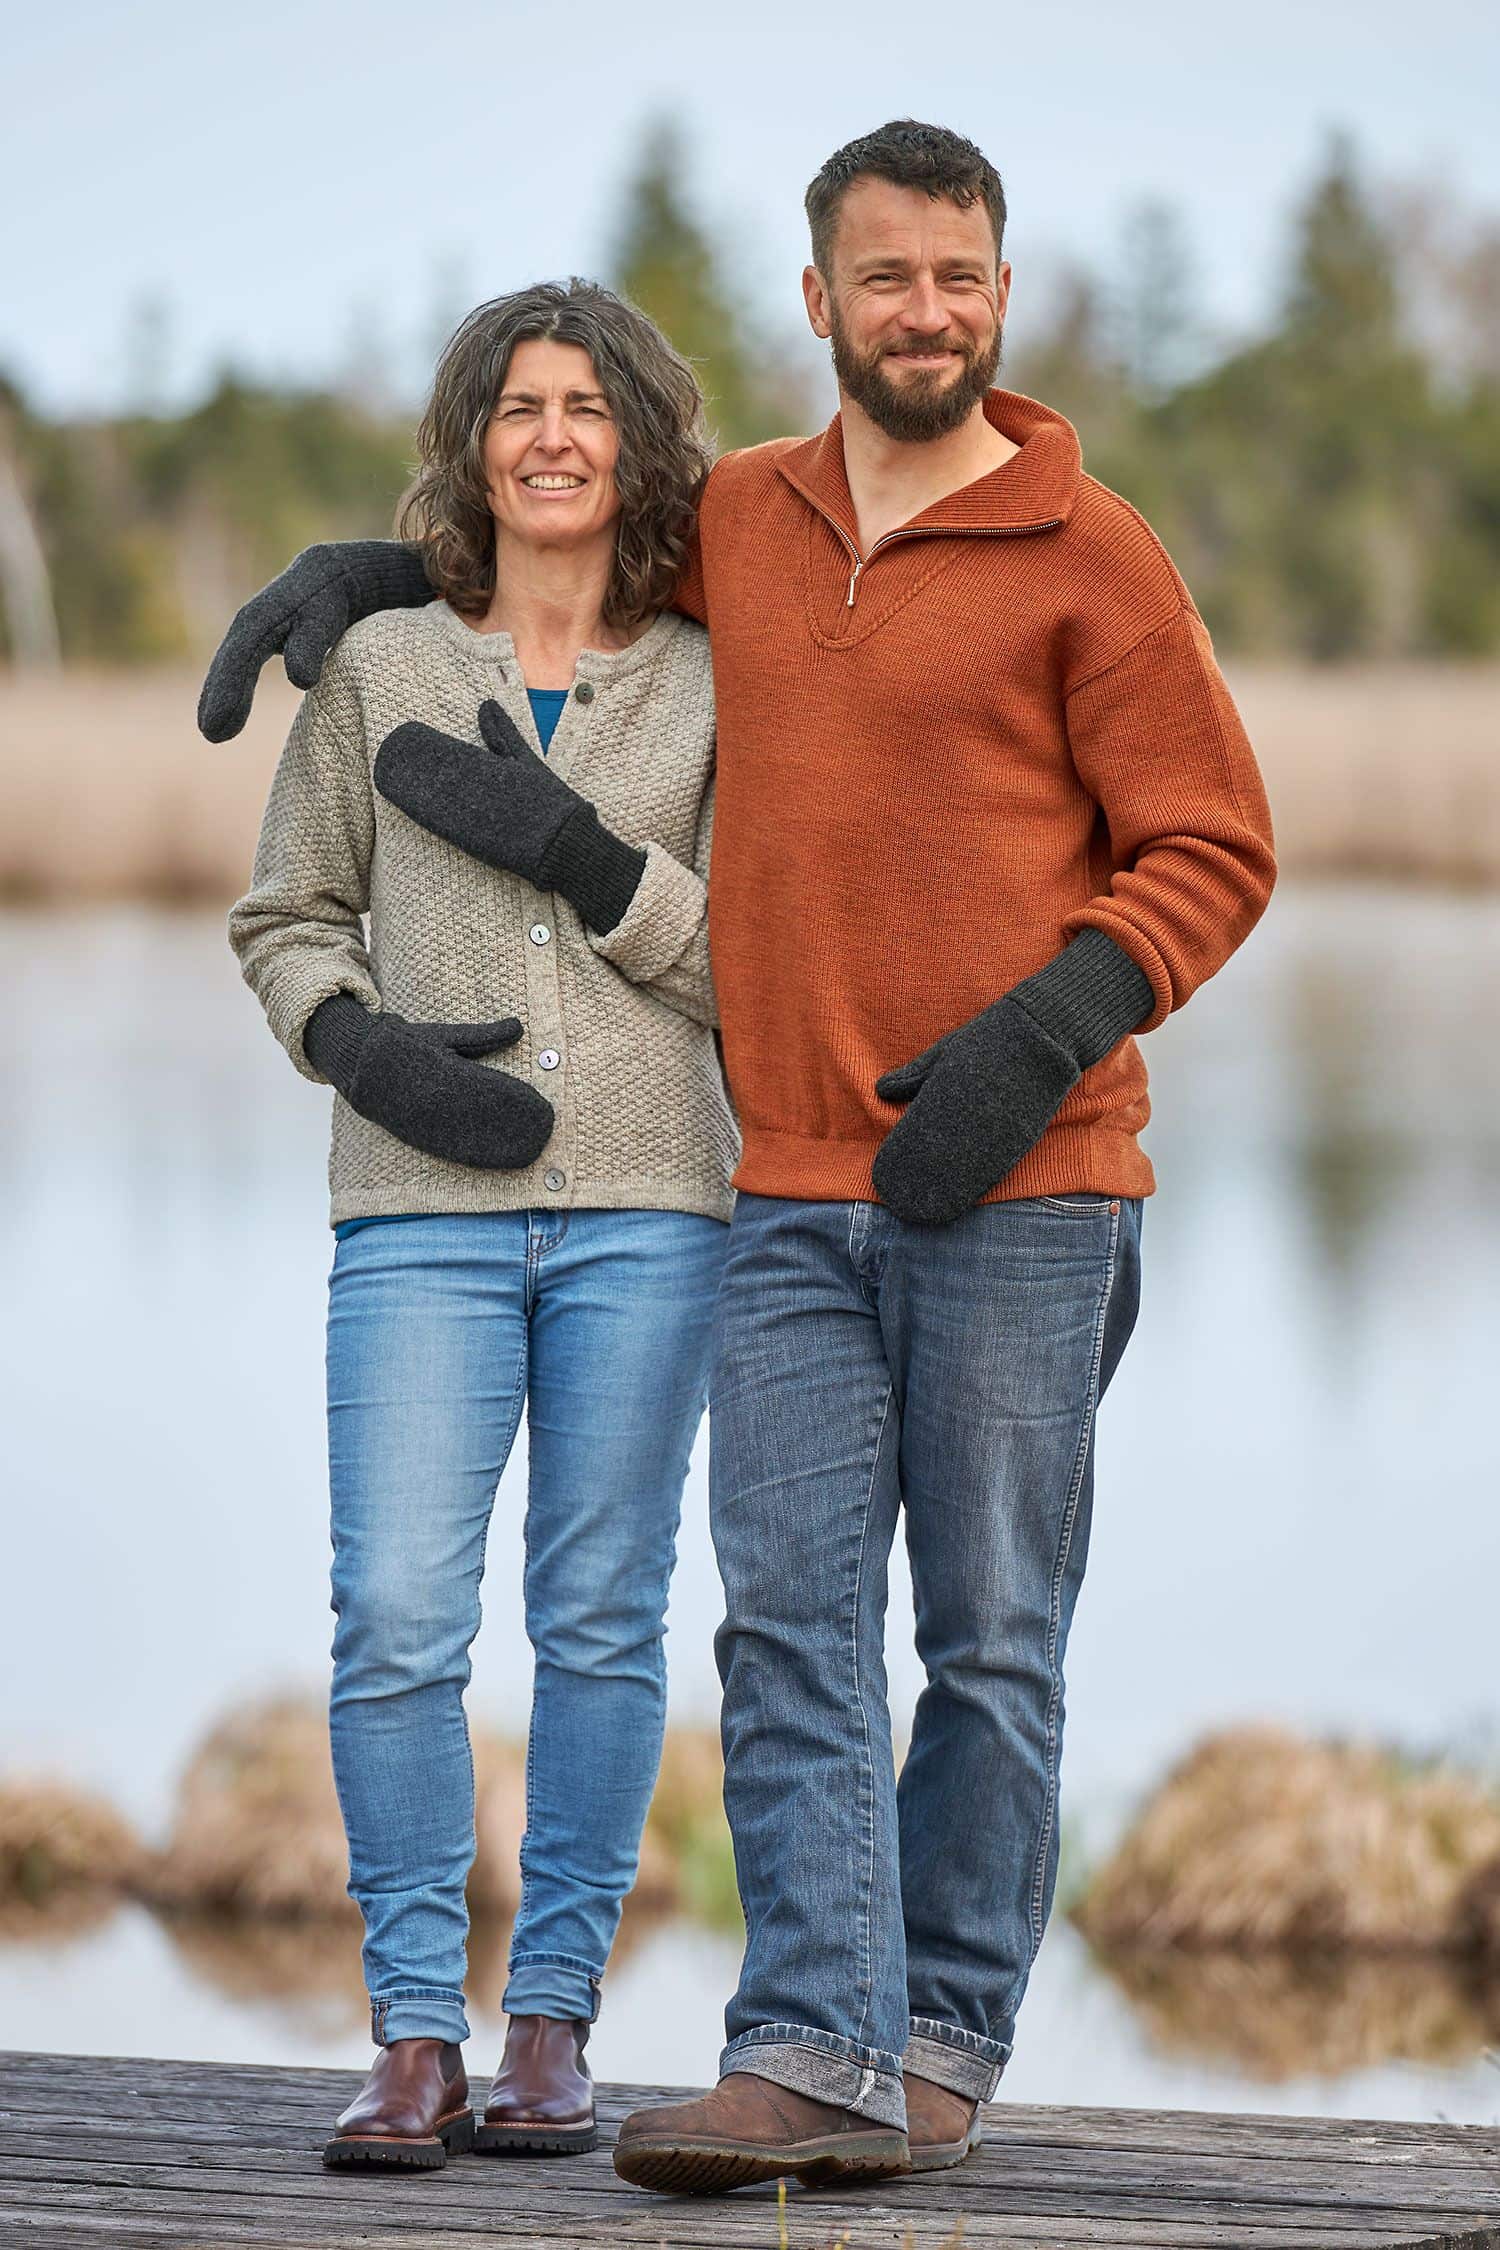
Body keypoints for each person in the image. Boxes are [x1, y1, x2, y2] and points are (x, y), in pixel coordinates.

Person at [204, 119, 1276, 2195]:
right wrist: (362, 575)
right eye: (887, 279)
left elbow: (1217, 850)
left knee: (986, 1636)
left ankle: (941, 2039)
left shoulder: (1096, 552)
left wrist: (1047, 1033)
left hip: (1034, 1190)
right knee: (784, 1625)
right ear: (820, 301)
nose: (925, 313)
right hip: (785, 1189)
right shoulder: (758, 531)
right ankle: (808, 2046)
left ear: (1003, 293)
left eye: (960, 277)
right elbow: (556, 543)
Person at [225, 280, 736, 2169]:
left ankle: (554, 2026)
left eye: (586, 406)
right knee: (397, 1620)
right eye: (517, 404)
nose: (550, 435)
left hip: (648, 1204)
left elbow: (748, 964)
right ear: (473, 437)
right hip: (415, 1213)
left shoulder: (704, 672)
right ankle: (414, 2034)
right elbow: (286, 916)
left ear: (638, 443)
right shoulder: (379, 667)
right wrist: (355, 1042)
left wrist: (601, 877)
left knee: (602, 1621)